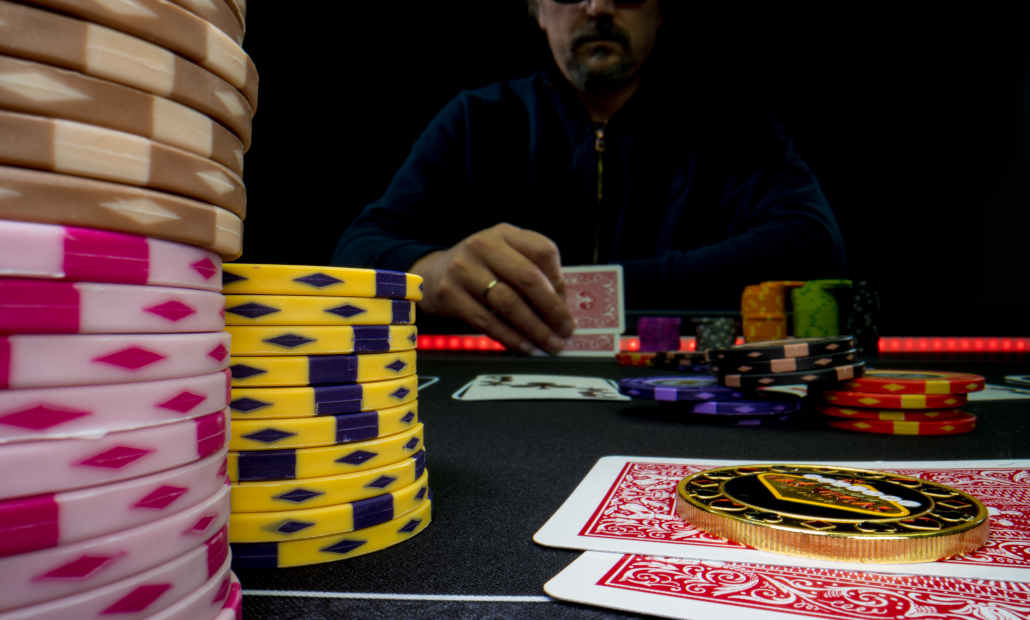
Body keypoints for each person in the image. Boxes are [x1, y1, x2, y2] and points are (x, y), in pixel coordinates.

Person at [332, 0, 847, 355]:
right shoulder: (476, 119)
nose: (598, 6)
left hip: (691, 391)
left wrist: (585, 295)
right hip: (507, 402)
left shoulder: (732, 125)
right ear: (536, 10)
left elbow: (811, 245)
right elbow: (357, 252)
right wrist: (439, 272)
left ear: (659, 10)